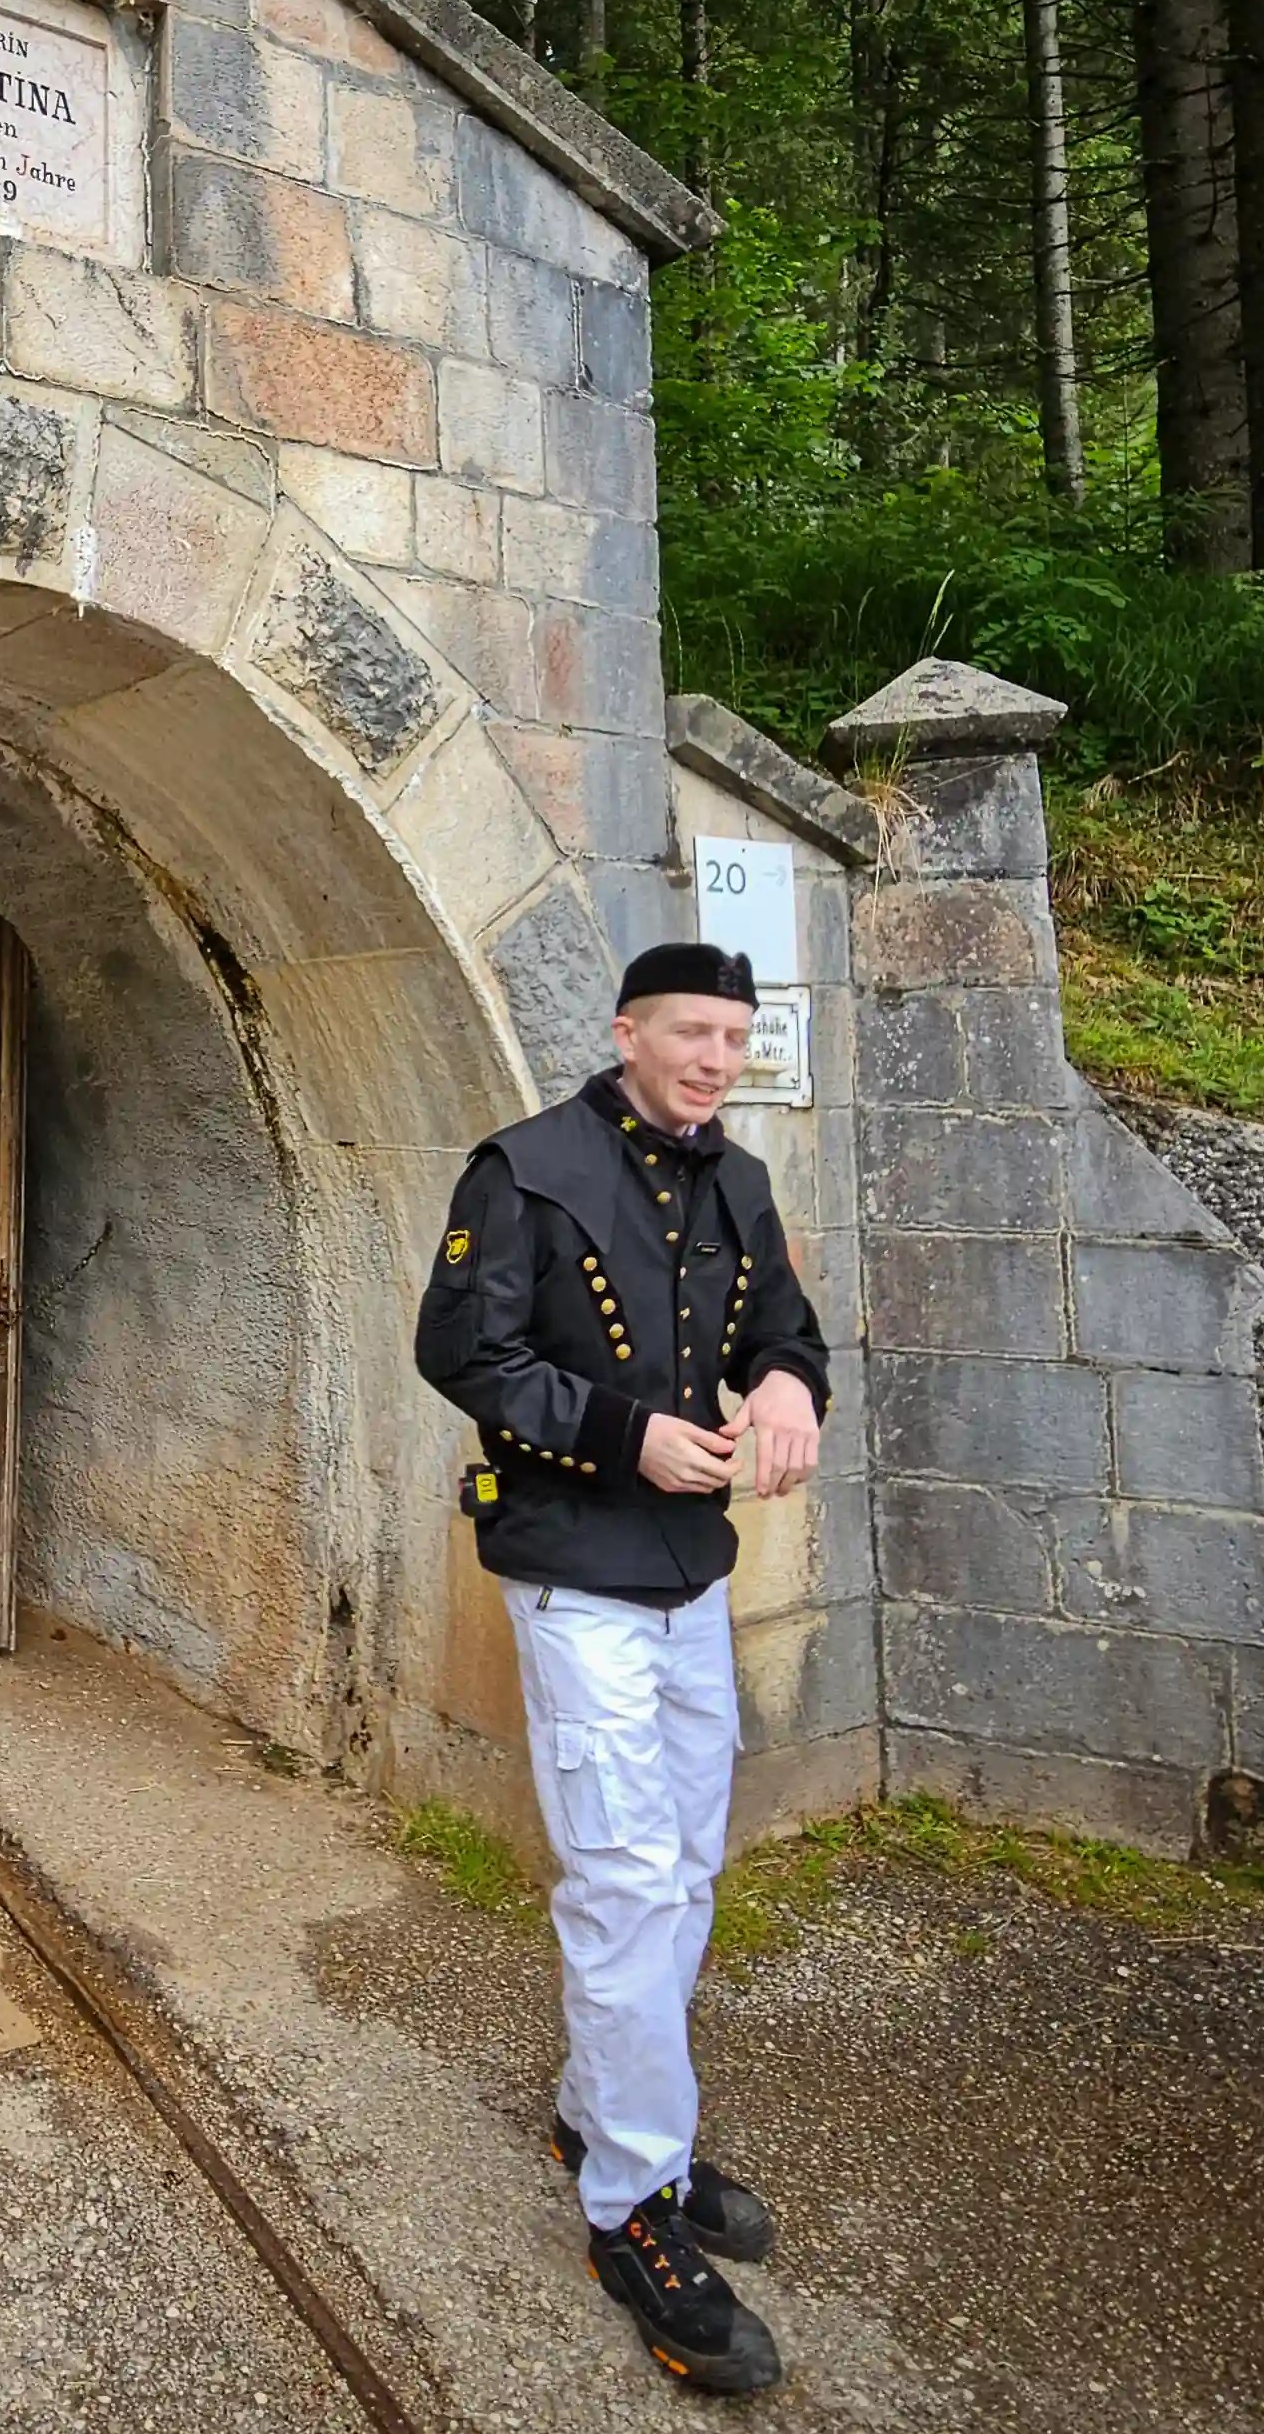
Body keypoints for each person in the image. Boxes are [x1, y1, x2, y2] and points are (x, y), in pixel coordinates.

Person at [414, 941, 828, 2398]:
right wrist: (619, 1431)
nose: (716, 1058)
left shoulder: (741, 1185)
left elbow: (785, 1331)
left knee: (689, 1864)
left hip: (686, 1577)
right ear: (626, 1031)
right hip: (571, 1569)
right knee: (624, 1878)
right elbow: (461, 1351)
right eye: (691, 1033)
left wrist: (785, 1385)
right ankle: (627, 2211)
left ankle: (604, 2116)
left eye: (734, 1036)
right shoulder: (523, 1171)